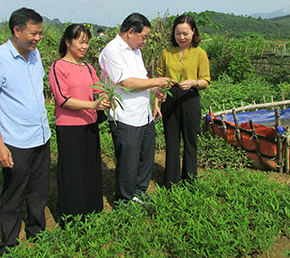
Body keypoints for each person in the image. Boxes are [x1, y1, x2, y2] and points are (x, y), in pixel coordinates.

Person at [0, 8, 52, 256]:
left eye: (40, 33)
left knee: (39, 189)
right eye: (34, 33)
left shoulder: (35, 54)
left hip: (41, 136)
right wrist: (0, 145)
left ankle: (37, 231)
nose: (38, 38)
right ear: (16, 30)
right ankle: (9, 243)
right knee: (14, 192)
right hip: (16, 140)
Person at [99, 12, 172, 204]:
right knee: (127, 162)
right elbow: (127, 83)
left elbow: (142, 78)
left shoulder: (135, 50)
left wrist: (154, 88)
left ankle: (139, 191)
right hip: (125, 116)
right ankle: (124, 199)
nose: (144, 42)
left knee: (145, 156)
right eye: (144, 37)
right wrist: (157, 81)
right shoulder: (112, 50)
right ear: (131, 32)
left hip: (143, 114)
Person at [48, 24, 111, 225]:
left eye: (87, 42)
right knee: (73, 170)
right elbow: (63, 99)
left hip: (90, 123)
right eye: (80, 42)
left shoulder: (87, 67)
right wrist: (93, 104)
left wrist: (106, 97)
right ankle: (72, 216)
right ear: (68, 42)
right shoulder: (58, 67)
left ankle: (92, 210)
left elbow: (98, 88)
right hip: (69, 126)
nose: (85, 46)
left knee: (90, 167)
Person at [153, 14, 211, 188]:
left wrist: (194, 82)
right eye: (178, 33)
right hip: (169, 97)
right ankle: (171, 181)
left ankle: (189, 181)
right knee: (171, 140)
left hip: (190, 98)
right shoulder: (166, 52)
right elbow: (160, 77)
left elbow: (206, 80)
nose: (182, 37)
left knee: (190, 140)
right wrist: (157, 101)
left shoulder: (200, 53)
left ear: (193, 32)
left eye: (185, 33)